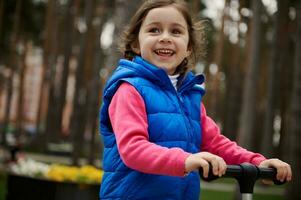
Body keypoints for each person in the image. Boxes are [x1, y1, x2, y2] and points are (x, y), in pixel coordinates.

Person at [99, 0, 292, 199]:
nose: (165, 37)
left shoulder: (189, 96)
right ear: (135, 44)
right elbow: (133, 148)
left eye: (175, 31)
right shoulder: (129, 89)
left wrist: (257, 163)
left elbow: (215, 144)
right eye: (154, 30)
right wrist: (186, 160)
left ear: (189, 47)